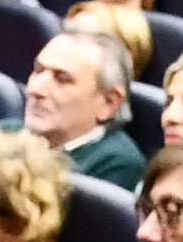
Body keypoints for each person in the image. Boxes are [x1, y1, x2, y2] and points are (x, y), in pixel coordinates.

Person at [23, 30, 145, 190]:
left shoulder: (117, 166)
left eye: (62, 79)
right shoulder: (7, 132)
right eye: (38, 71)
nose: (36, 89)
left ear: (109, 103)